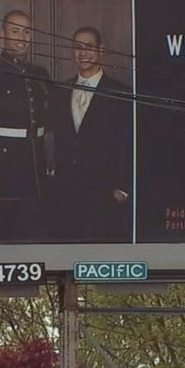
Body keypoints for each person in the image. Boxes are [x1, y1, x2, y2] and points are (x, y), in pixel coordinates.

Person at [0, 9, 52, 243]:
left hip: (37, 168)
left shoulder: (40, 73)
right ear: (2, 34)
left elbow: (52, 125)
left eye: (27, 32)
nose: (22, 38)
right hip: (3, 169)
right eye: (15, 31)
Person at [51, 26, 132, 242]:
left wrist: (122, 190)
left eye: (89, 47)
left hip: (105, 197)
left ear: (101, 50)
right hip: (64, 198)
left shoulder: (121, 93)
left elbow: (129, 143)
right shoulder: (60, 91)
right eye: (78, 47)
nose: (83, 52)